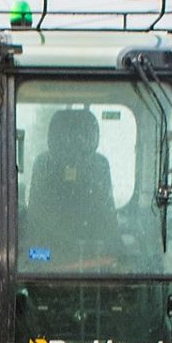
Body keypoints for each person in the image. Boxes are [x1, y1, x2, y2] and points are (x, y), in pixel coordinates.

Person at [25, 107, 122, 262]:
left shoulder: (99, 166)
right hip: (45, 258)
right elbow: (34, 238)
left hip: (94, 260)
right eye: (67, 137)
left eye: (81, 137)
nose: (74, 142)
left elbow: (108, 230)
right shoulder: (44, 166)